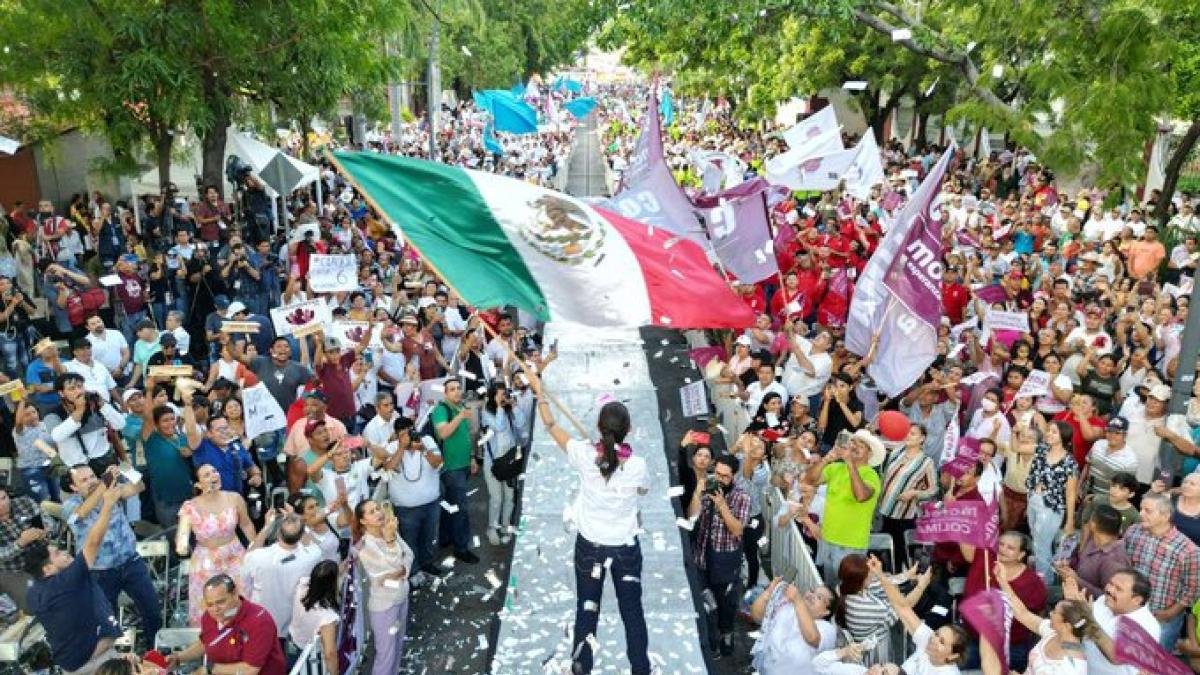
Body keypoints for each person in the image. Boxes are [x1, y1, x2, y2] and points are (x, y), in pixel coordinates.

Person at [530, 370, 651, 675]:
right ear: (630, 430)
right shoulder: (637, 466)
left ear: (598, 428)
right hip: (625, 549)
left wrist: (540, 395)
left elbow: (551, 425)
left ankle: (581, 669)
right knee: (632, 614)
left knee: (587, 611)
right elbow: (643, 489)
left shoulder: (584, 456)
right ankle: (641, 670)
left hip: (590, 548)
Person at [25, 480, 124, 675]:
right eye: (57, 553)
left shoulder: (34, 592)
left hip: (70, 665)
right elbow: (93, 542)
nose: (64, 552)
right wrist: (108, 505)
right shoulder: (66, 581)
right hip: (97, 664)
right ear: (48, 569)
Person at [61, 464, 161, 645]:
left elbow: (140, 487)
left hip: (131, 563)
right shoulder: (70, 506)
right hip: (100, 573)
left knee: (152, 609)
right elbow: (82, 513)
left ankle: (154, 651)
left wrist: (126, 469)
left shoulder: (110, 491)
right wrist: (104, 484)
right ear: (74, 488)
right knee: (108, 620)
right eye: (84, 480)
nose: (91, 481)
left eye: (92, 476)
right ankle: (113, 663)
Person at [175, 464, 256, 626]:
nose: (213, 475)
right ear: (198, 484)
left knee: (242, 599)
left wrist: (254, 550)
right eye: (206, 475)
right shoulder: (190, 506)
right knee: (210, 606)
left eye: (214, 471)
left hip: (234, 554)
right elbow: (182, 538)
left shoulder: (234, 498)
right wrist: (182, 543)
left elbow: (246, 524)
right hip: (206, 560)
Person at [687, 452, 750, 657]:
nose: (720, 479)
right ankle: (710, 641)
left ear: (733, 476)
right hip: (702, 557)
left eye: (725, 476)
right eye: (717, 474)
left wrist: (722, 506)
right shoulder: (708, 487)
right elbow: (692, 516)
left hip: (725, 560)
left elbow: (738, 529)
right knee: (705, 603)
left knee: (725, 604)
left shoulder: (741, 496)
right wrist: (698, 493)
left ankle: (726, 635)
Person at [804, 429, 884, 586]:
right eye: (853, 442)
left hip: (850, 545)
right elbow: (810, 480)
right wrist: (827, 458)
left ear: (870, 454)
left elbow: (860, 496)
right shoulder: (836, 468)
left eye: (861, 445)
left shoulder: (871, 475)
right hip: (827, 539)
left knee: (847, 591)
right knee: (829, 588)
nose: (854, 446)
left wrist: (849, 463)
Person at [167, 574, 287, 675]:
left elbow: (250, 669)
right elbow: (206, 643)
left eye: (221, 602)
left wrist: (210, 669)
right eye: (210, 604)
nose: (215, 609)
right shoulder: (209, 616)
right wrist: (179, 658)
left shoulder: (259, 621)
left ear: (235, 594)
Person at [1123, 491, 1200, 649]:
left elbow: (1192, 588)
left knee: (1154, 662)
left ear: (1165, 516)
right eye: (1141, 509)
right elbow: (1125, 566)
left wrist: (1171, 613)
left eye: (1148, 511)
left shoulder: (1187, 549)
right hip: (1131, 609)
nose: (1141, 514)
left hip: (1162, 618)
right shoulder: (1133, 532)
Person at [869, 555, 969, 674]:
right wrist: (880, 575)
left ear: (952, 656)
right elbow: (903, 608)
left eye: (942, 642)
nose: (933, 639)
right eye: (936, 633)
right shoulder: (927, 639)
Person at [995, 562, 1094, 675]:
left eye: (1055, 612)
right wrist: (1002, 580)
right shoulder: (1053, 632)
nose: (1050, 614)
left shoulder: (1071, 668)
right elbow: (1023, 613)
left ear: (1066, 625)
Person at [839, 553, 934, 666]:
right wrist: (921, 585)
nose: (872, 573)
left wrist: (908, 575)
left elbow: (882, 583)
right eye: (870, 571)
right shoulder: (866, 607)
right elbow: (904, 608)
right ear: (862, 580)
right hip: (875, 653)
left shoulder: (848, 588)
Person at [355, 499, 414, 675]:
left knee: (398, 647)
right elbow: (387, 568)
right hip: (384, 607)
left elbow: (409, 554)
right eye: (372, 512)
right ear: (363, 521)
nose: (379, 513)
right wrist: (390, 542)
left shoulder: (388, 531)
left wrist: (401, 570)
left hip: (401, 597)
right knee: (385, 655)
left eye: (378, 508)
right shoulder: (364, 546)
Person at [1062, 568, 1159, 675]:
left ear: (1137, 600)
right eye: (1110, 583)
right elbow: (1082, 627)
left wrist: (1088, 619)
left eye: (1118, 589)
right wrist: (1074, 606)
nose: (1109, 589)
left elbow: (1117, 657)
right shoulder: (1104, 600)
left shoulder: (1148, 626)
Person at [381, 417, 444, 579]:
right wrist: (401, 448)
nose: (409, 437)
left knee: (429, 537)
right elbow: (389, 468)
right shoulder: (392, 447)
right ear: (397, 435)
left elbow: (438, 463)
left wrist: (422, 449)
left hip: (430, 503)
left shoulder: (427, 440)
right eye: (403, 434)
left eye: (411, 432)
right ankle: (413, 571)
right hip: (405, 508)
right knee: (409, 542)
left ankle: (427, 564)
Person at [432, 378, 479, 564]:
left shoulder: (461, 408)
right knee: (461, 508)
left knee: (450, 504)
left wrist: (472, 458)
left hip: (463, 464)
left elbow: (467, 436)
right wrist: (460, 417)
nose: (457, 392)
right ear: (445, 394)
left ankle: (445, 538)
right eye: (452, 389)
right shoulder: (441, 410)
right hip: (451, 467)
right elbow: (443, 433)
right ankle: (461, 547)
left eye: (459, 388)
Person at [877, 423, 937, 569]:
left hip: (904, 514)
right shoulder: (897, 450)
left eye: (913, 433)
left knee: (901, 550)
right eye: (907, 432)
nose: (908, 435)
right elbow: (878, 444)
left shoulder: (926, 462)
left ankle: (903, 580)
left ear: (922, 439)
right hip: (885, 509)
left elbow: (934, 489)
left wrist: (914, 493)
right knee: (885, 547)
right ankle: (888, 576)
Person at [1025, 420, 1079, 580]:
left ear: (1063, 436)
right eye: (1048, 430)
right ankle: (1041, 574)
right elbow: (1016, 447)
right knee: (1036, 539)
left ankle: (1044, 582)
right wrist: (1017, 432)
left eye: (1054, 432)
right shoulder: (1041, 450)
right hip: (1034, 500)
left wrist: (1070, 521)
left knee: (1042, 546)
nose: (1049, 434)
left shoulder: (1070, 462)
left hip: (1051, 507)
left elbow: (1070, 493)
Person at [749, 577, 837, 674]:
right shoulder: (789, 606)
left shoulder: (828, 629)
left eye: (819, 597)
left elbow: (813, 638)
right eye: (812, 591)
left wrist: (797, 600)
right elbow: (756, 616)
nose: (812, 596)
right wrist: (769, 591)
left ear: (826, 611)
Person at [1055, 504, 1129, 598]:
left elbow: (1109, 597)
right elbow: (1081, 557)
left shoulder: (1114, 560)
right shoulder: (1092, 538)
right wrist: (1067, 563)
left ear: (1093, 525)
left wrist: (1077, 580)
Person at [480, 380, 520, 545]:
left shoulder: (508, 410)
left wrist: (514, 407)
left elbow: (521, 426)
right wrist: (500, 407)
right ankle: (492, 528)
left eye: (505, 393)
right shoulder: (486, 413)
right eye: (500, 394)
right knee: (496, 498)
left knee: (509, 497)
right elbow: (499, 426)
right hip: (493, 462)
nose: (504, 397)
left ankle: (505, 526)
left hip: (509, 460)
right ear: (492, 396)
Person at [288, 560, 341, 675]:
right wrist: (335, 672)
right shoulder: (327, 616)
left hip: (292, 643)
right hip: (310, 656)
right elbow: (330, 653)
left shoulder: (301, 587)